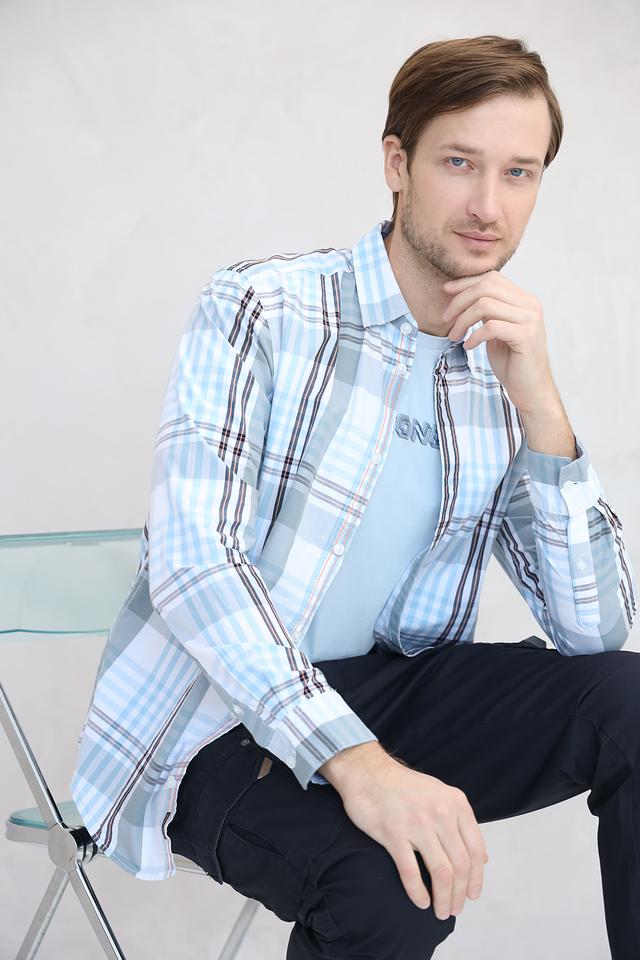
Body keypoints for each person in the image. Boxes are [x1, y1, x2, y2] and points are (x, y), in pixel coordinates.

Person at [70, 34, 639, 959]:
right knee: (387, 890)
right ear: (396, 163)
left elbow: (594, 633)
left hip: (393, 694)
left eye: (519, 173)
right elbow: (194, 563)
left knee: (632, 703)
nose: (489, 206)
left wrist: (541, 400)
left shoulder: (500, 362)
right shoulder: (264, 307)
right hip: (219, 719)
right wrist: (357, 762)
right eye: (459, 163)